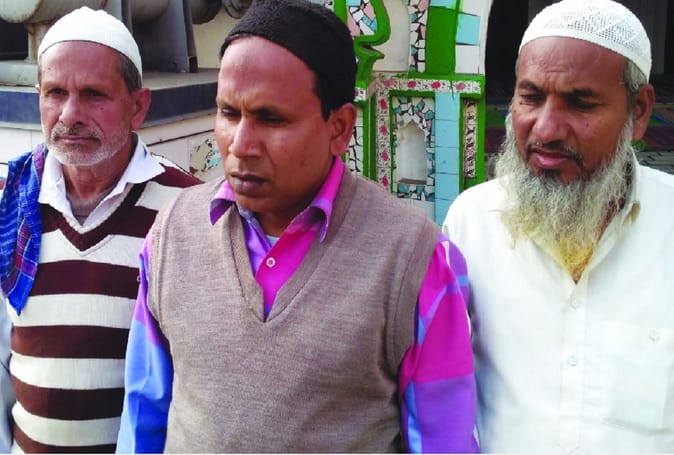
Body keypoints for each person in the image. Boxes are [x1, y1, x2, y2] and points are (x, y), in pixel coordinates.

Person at [116, 0, 478, 452]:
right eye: (229, 113)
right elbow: (144, 413)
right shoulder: (173, 233)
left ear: (339, 128)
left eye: (271, 119)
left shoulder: (416, 262)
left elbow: (445, 440)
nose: (241, 145)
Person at [443, 0, 674, 452]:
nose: (545, 130)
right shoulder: (472, 221)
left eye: (580, 103)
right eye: (530, 98)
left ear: (639, 110)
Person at [0, 7, 200, 453]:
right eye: (55, 92)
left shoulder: (186, 209)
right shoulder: (12, 202)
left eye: (94, 95)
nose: (70, 114)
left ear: (138, 106)